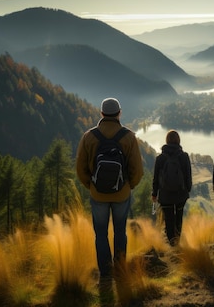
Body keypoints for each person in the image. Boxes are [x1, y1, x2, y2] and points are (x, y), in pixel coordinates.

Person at [75, 97, 144, 304]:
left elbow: (80, 169)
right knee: (120, 232)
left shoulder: (89, 137)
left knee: (101, 234)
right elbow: (138, 171)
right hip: (122, 194)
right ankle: (120, 271)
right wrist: (128, 186)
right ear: (119, 113)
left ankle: (105, 276)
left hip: (98, 196)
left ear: (102, 113)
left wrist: (92, 186)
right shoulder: (129, 137)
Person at [152, 130, 192, 246]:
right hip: (181, 194)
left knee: (168, 219)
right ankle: (177, 241)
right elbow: (188, 175)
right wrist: (187, 190)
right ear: (178, 140)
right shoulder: (184, 156)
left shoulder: (160, 158)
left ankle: (171, 243)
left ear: (167, 141)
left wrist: (154, 193)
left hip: (165, 194)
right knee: (178, 217)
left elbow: (155, 178)